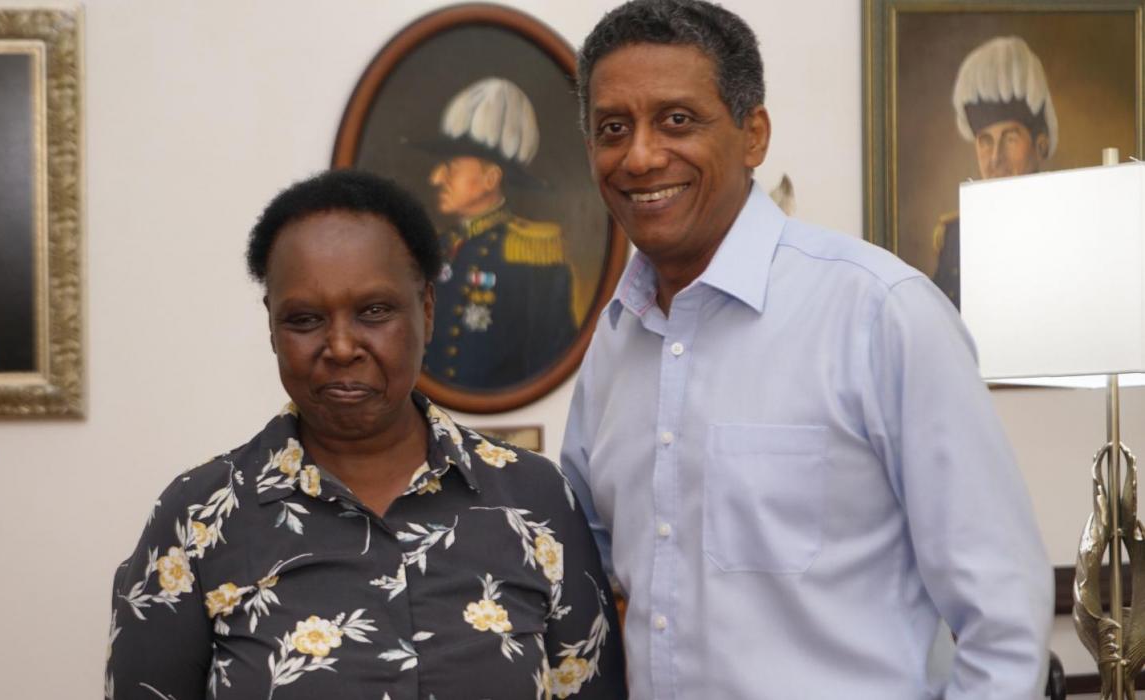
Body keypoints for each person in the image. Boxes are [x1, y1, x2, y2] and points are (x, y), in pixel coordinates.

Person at [560, 1, 1052, 697]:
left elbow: (1004, 621)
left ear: (753, 133)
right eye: (613, 128)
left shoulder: (881, 314)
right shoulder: (614, 343)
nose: (640, 155)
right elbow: (597, 575)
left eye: (677, 120)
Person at [106, 170, 624, 699]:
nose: (340, 346)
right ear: (272, 325)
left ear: (425, 307)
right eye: (305, 319)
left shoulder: (535, 499)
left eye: (374, 312)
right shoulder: (197, 518)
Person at [420, 77, 577, 390]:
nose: (436, 178)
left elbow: (549, 361)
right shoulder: (438, 248)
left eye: (451, 167)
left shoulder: (532, 253)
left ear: (491, 178)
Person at [932, 36, 1057, 308]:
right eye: (985, 141)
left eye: (1010, 138)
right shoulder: (955, 236)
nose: (995, 158)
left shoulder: (1067, 226)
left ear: (1041, 145)